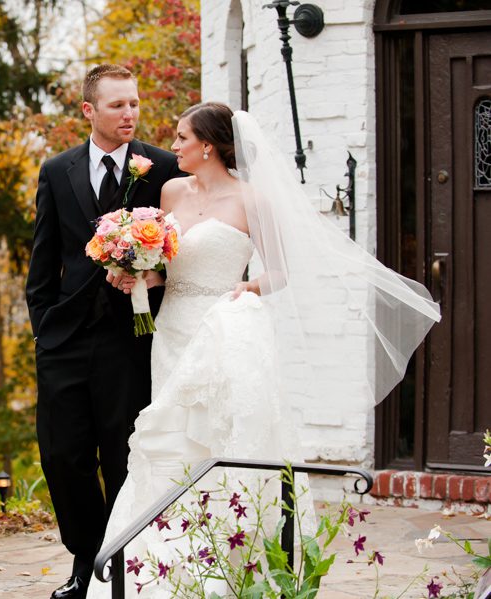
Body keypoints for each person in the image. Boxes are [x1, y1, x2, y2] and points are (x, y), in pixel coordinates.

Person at [87, 102, 442, 597]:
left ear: (208, 145)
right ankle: (161, 558)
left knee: (217, 433)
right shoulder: (169, 192)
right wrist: (138, 273)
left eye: (182, 137)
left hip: (224, 326)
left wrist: (250, 289)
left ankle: (227, 555)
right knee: (170, 434)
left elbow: (279, 271)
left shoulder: (253, 200)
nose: (174, 145)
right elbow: (167, 264)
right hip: (171, 330)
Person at [25, 64, 184, 599]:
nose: (130, 114)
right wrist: (43, 330)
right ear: (89, 111)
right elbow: (43, 260)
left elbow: (180, 251)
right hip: (65, 340)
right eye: (117, 105)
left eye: (134, 104)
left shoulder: (163, 168)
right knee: (63, 456)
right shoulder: (56, 170)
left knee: (122, 456)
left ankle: (117, 567)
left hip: (132, 339)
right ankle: (84, 557)